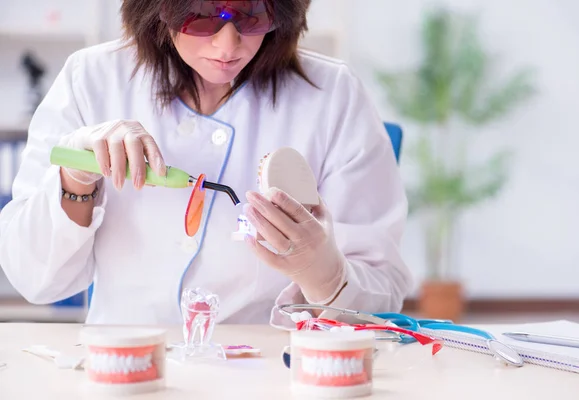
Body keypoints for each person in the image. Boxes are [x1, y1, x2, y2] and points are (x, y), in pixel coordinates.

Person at [0, 0, 413, 327]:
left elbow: (382, 298)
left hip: (268, 370)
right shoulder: (91, 79)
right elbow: (36, 280)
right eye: (202, 16)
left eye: (252, 14)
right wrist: (75, 179)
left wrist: (324, 274)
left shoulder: (331, 95)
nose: (228, 46)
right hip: (126, 363)